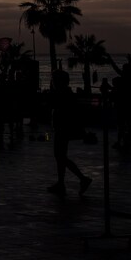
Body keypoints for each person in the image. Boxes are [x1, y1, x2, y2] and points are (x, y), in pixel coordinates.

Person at [47, 69, 92, 197]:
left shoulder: (62, 94)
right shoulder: (66, 92)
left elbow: (54, 105)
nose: (52, 82)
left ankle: (82, 179)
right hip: (62, 128)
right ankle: (61, 183)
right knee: (60, 156)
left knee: (60, 156)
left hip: (63, 128)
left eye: (53, 80)